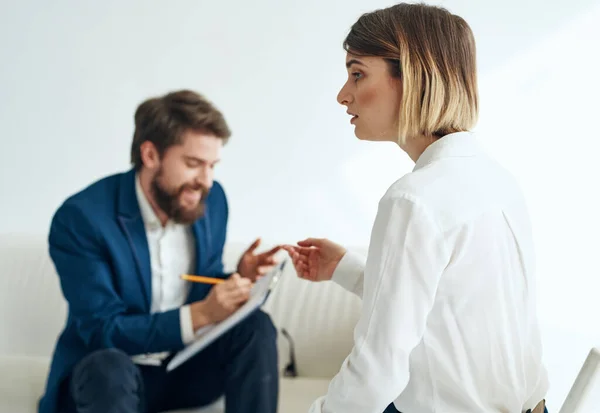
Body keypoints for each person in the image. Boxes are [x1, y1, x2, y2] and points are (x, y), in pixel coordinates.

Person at [284, 3, 549, 413]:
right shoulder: (496, 180)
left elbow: (375, 374)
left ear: (411, 77)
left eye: (357, 74)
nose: (343, 94)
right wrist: (345, 268)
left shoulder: (413, 199)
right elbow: (446, 305)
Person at [38, 89, 281, 413]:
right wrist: (202, 315)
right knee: (108, 368)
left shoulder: (211, 200)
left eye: (212, 165)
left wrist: (239, 278)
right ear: (150, 155)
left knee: (256, 328)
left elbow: (198, 283)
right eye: (194, 164)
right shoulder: (81, 218)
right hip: (109, 381)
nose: (206, 181)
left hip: (182, 369)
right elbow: (101, 330)